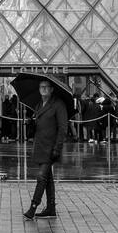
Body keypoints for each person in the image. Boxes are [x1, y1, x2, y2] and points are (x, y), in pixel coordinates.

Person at [24, 80, 68, 219]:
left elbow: (63, 128)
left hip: (51, 147)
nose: (43, 89)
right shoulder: (38, 105)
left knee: (42, 177)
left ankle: (33, 206)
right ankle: (50, 208)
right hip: (40, 146)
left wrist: (57, 148)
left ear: (52, 89)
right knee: (48, 178)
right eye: (41, 86)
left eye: (46, 87)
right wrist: (31, 123)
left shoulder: (58, 105)